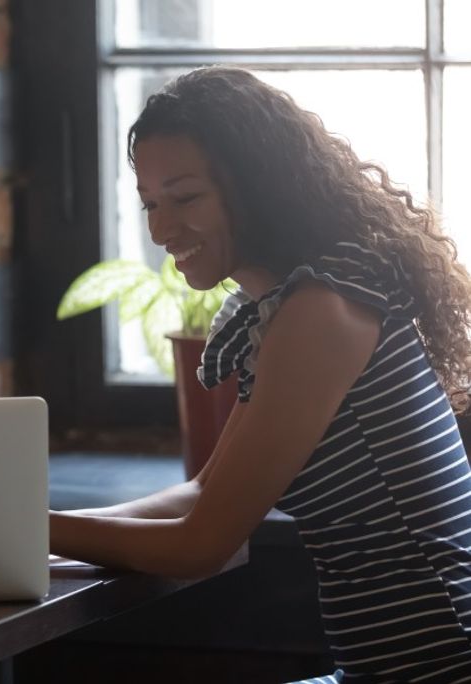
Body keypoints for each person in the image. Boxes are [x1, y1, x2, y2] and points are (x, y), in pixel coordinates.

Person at [50, 66, 471, 682]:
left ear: (258, 185)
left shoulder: (324, 310)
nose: (161, 230)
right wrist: (33, 530)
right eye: (150, 204)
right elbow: (201, 495)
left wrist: (31, 532)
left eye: (186, 198)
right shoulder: (284, 306)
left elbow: (202, 544)